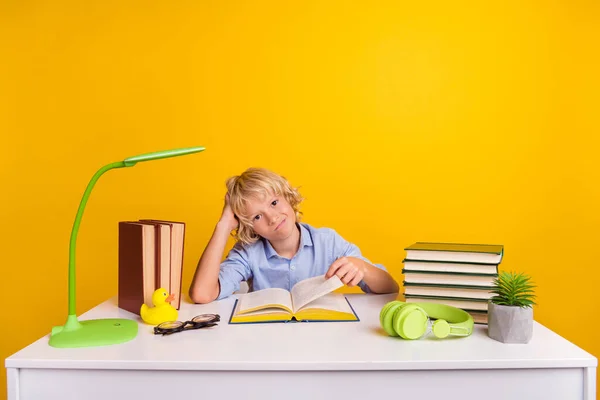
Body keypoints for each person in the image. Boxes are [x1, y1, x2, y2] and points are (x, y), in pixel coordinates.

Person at [189, 167, 399, 304]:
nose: (272, 218)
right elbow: (201, 294)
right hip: (268, 345)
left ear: (288, 198)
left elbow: (390, 288)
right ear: (250, 227)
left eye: (274, 203)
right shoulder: (247, 253)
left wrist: (361, 267)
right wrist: (224, 225)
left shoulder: (328, 242)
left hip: (323, 341)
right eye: (257, 216)